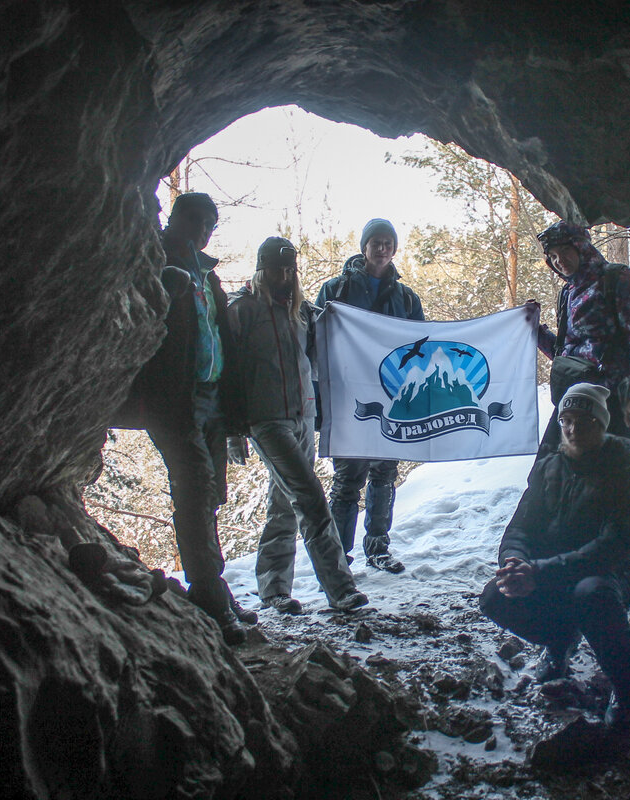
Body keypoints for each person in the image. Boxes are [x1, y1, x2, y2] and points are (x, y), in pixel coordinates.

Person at [113, 192, 252, 645]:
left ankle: (214, 584)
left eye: (210, 222)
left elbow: (220, 340)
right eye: (194, 219)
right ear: (174, 219)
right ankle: (209, 595)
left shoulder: (208, 276)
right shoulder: (151, 258)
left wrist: (233, 415)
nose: (202, 229)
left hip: (209, 397)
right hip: (171, 398)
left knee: (209, 494)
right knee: (194, 487)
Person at [479, 383, 630, 729]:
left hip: (607, 576)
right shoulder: (549, 467)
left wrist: (538, 571)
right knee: (495, 596)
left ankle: (627, 691)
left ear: (601, 424)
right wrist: (514, 562)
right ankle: (561, 640)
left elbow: (611, 547)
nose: (573, 429)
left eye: (584, 421)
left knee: (591, 595)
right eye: (566, 420)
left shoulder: (625, 475)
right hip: (550, 572)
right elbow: (519, 528)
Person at [224, 237, 370, 614]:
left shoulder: (302, 311)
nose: (285, 276)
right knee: (310, 498)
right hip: (265, 419)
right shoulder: (241, 309)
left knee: (284, 504)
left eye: (290, 269)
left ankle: (273, 589)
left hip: (302, 416)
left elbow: (325, 353)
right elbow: (227, 370)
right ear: (261, 269)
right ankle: (340, 589)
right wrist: (231, 429)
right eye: (277, 268)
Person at [314, 218, 424, 573]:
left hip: (393, 399)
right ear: (364, 247)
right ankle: (338, 556)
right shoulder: (335, 290)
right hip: (349, 400)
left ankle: (378, 548)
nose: (381, 248)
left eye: (387, 242)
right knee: (348, 479)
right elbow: (315, 343)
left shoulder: (407, 297)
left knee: (383, 475)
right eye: (375, 241)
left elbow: (421, 347)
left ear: (394, 249)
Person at [534, 220, 630, 454]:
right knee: (549, 473)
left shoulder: (615, 277)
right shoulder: (568, 292)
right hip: (575, 399)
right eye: (552, 256)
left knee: (611, 476)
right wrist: (537, 333)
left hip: (614, 398)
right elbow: (566, 353)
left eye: (564, 251)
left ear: (581, 247)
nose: (559, 261)